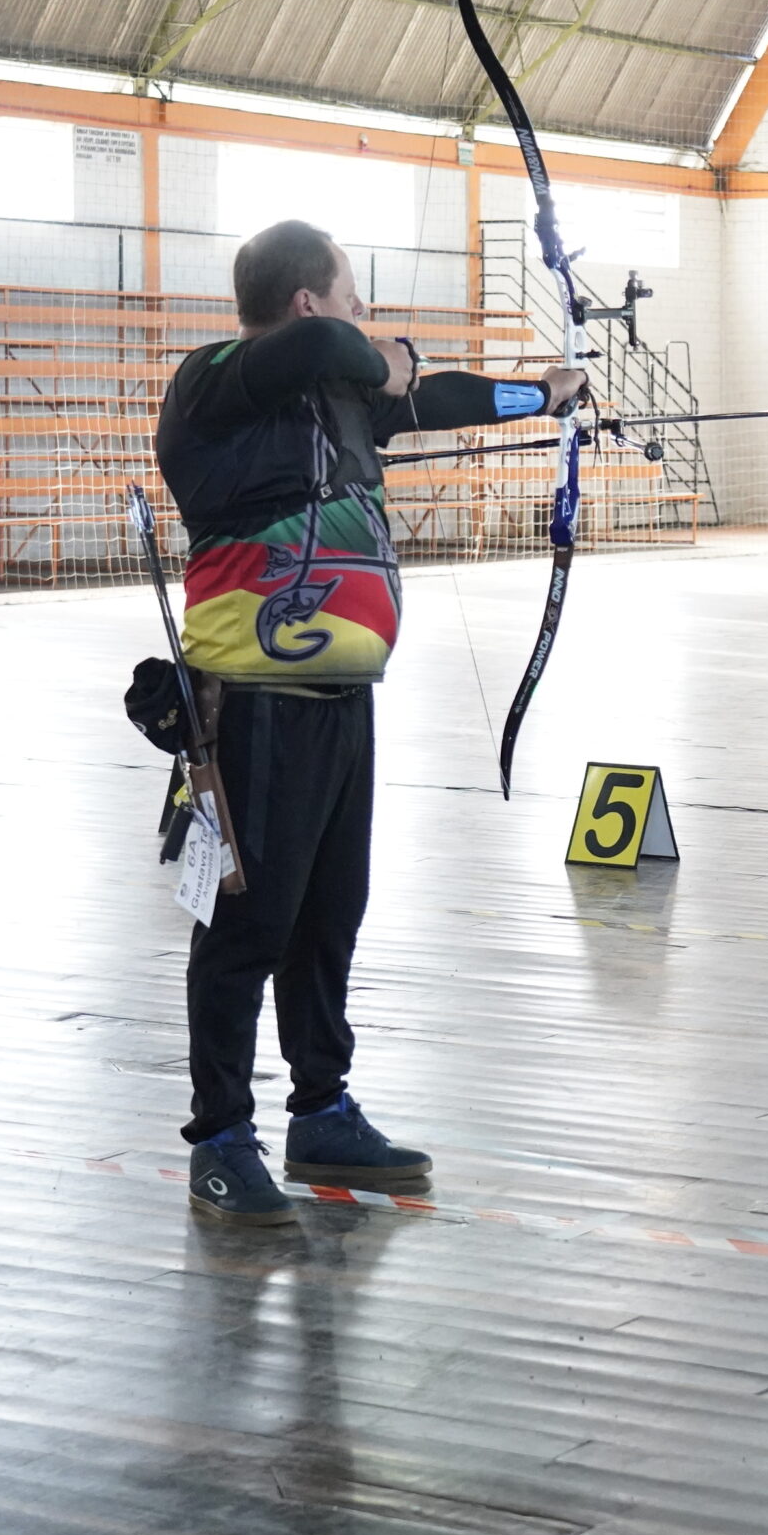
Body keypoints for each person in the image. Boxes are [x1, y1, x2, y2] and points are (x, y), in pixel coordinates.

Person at [155, 218, 585, 1226]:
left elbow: (435, 399)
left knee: (325, 919)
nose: (365, 319)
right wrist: (383, 353)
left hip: (343, 703)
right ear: (310, 300)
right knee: (245, 927)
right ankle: (220, 1137)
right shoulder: (214, 381)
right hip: (249, 708)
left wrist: (545, 391)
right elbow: (333, 350)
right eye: (354, 298)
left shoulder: (337, 397)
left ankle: (322, 1112)